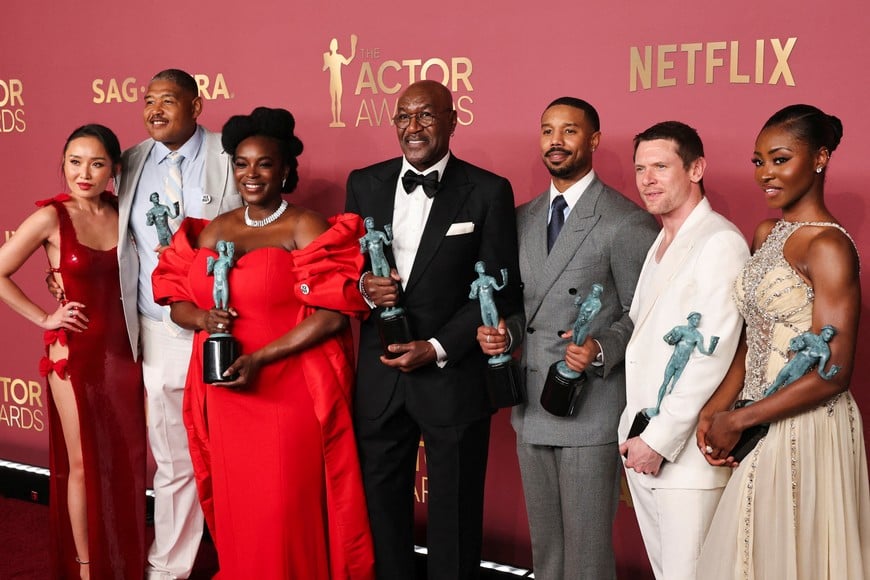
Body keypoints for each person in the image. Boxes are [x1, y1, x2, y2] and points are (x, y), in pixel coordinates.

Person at [152, 107, 375, 579]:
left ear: (287, 170)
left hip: (288, 390)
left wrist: (260, 358)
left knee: (285, 508)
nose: (251, 174)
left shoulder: (305, 226)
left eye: (265, 164)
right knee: (241, 508)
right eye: (242, 163)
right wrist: (204, 319)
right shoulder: (215, 229)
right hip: (227, 391)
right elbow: (178, 301)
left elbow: (334, 315)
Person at [346, 79, 522, 580]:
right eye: (403, 117)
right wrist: (364, 286)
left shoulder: (488, 190)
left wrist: (438, 347)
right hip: (379, 378)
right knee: (381, 513)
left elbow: (500, 289)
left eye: (425, 116)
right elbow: (346, 267)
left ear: (452, 120)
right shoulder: (364, 183)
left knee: (455, 516)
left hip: (451, 375)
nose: (413, 127)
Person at [478, 97, 659, 580]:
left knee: (585, 555)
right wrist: (505, 333)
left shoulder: (626, 221)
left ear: (594, 140)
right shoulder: (521, 218)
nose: (556, 141)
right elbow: (520, 307)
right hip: (531, 406)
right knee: (548, 552)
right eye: (547, 131)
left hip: (589, 408)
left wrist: (601, 348)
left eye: (570, 131)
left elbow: (645, 315)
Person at [697, 104, 870, 579]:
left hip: (806, 425)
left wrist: (740, 418)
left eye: (779, 159)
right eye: (758, 161)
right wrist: (716, 408)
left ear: (819, 158)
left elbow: (832, 373)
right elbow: (756, 337)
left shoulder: (829, 247)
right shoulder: (766, 233)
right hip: (755, 415)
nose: (765, 174)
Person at [0, 125, 146, 578]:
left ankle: (121, 558)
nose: (84, 173)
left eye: (97, 163)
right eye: (75, 162)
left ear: (114, 170)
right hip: (75, 355)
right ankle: (86, 567)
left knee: (124, 462)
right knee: (83, 463)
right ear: (62, 164)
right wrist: (46, 317)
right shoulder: (51, 217)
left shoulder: (124, 211)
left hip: (125, 353)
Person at [118, 69, 242, 579]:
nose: (155, 109)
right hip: (158, 326)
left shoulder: (231, 154)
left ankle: (246, 560)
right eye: (149, 100)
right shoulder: (128, 161)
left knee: (236, 451)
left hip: (226, 326)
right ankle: (169, 568)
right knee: (172, 457)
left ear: (197, 104)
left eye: (168, 100)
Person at [617, 121, 748, 580]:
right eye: (639, 168)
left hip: (685, 456)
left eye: (660, 166)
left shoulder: (720, 242)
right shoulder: (661, 241)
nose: (647, 179)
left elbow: (709, 357)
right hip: (644, 445)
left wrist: (658, 440)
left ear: (696, 168)